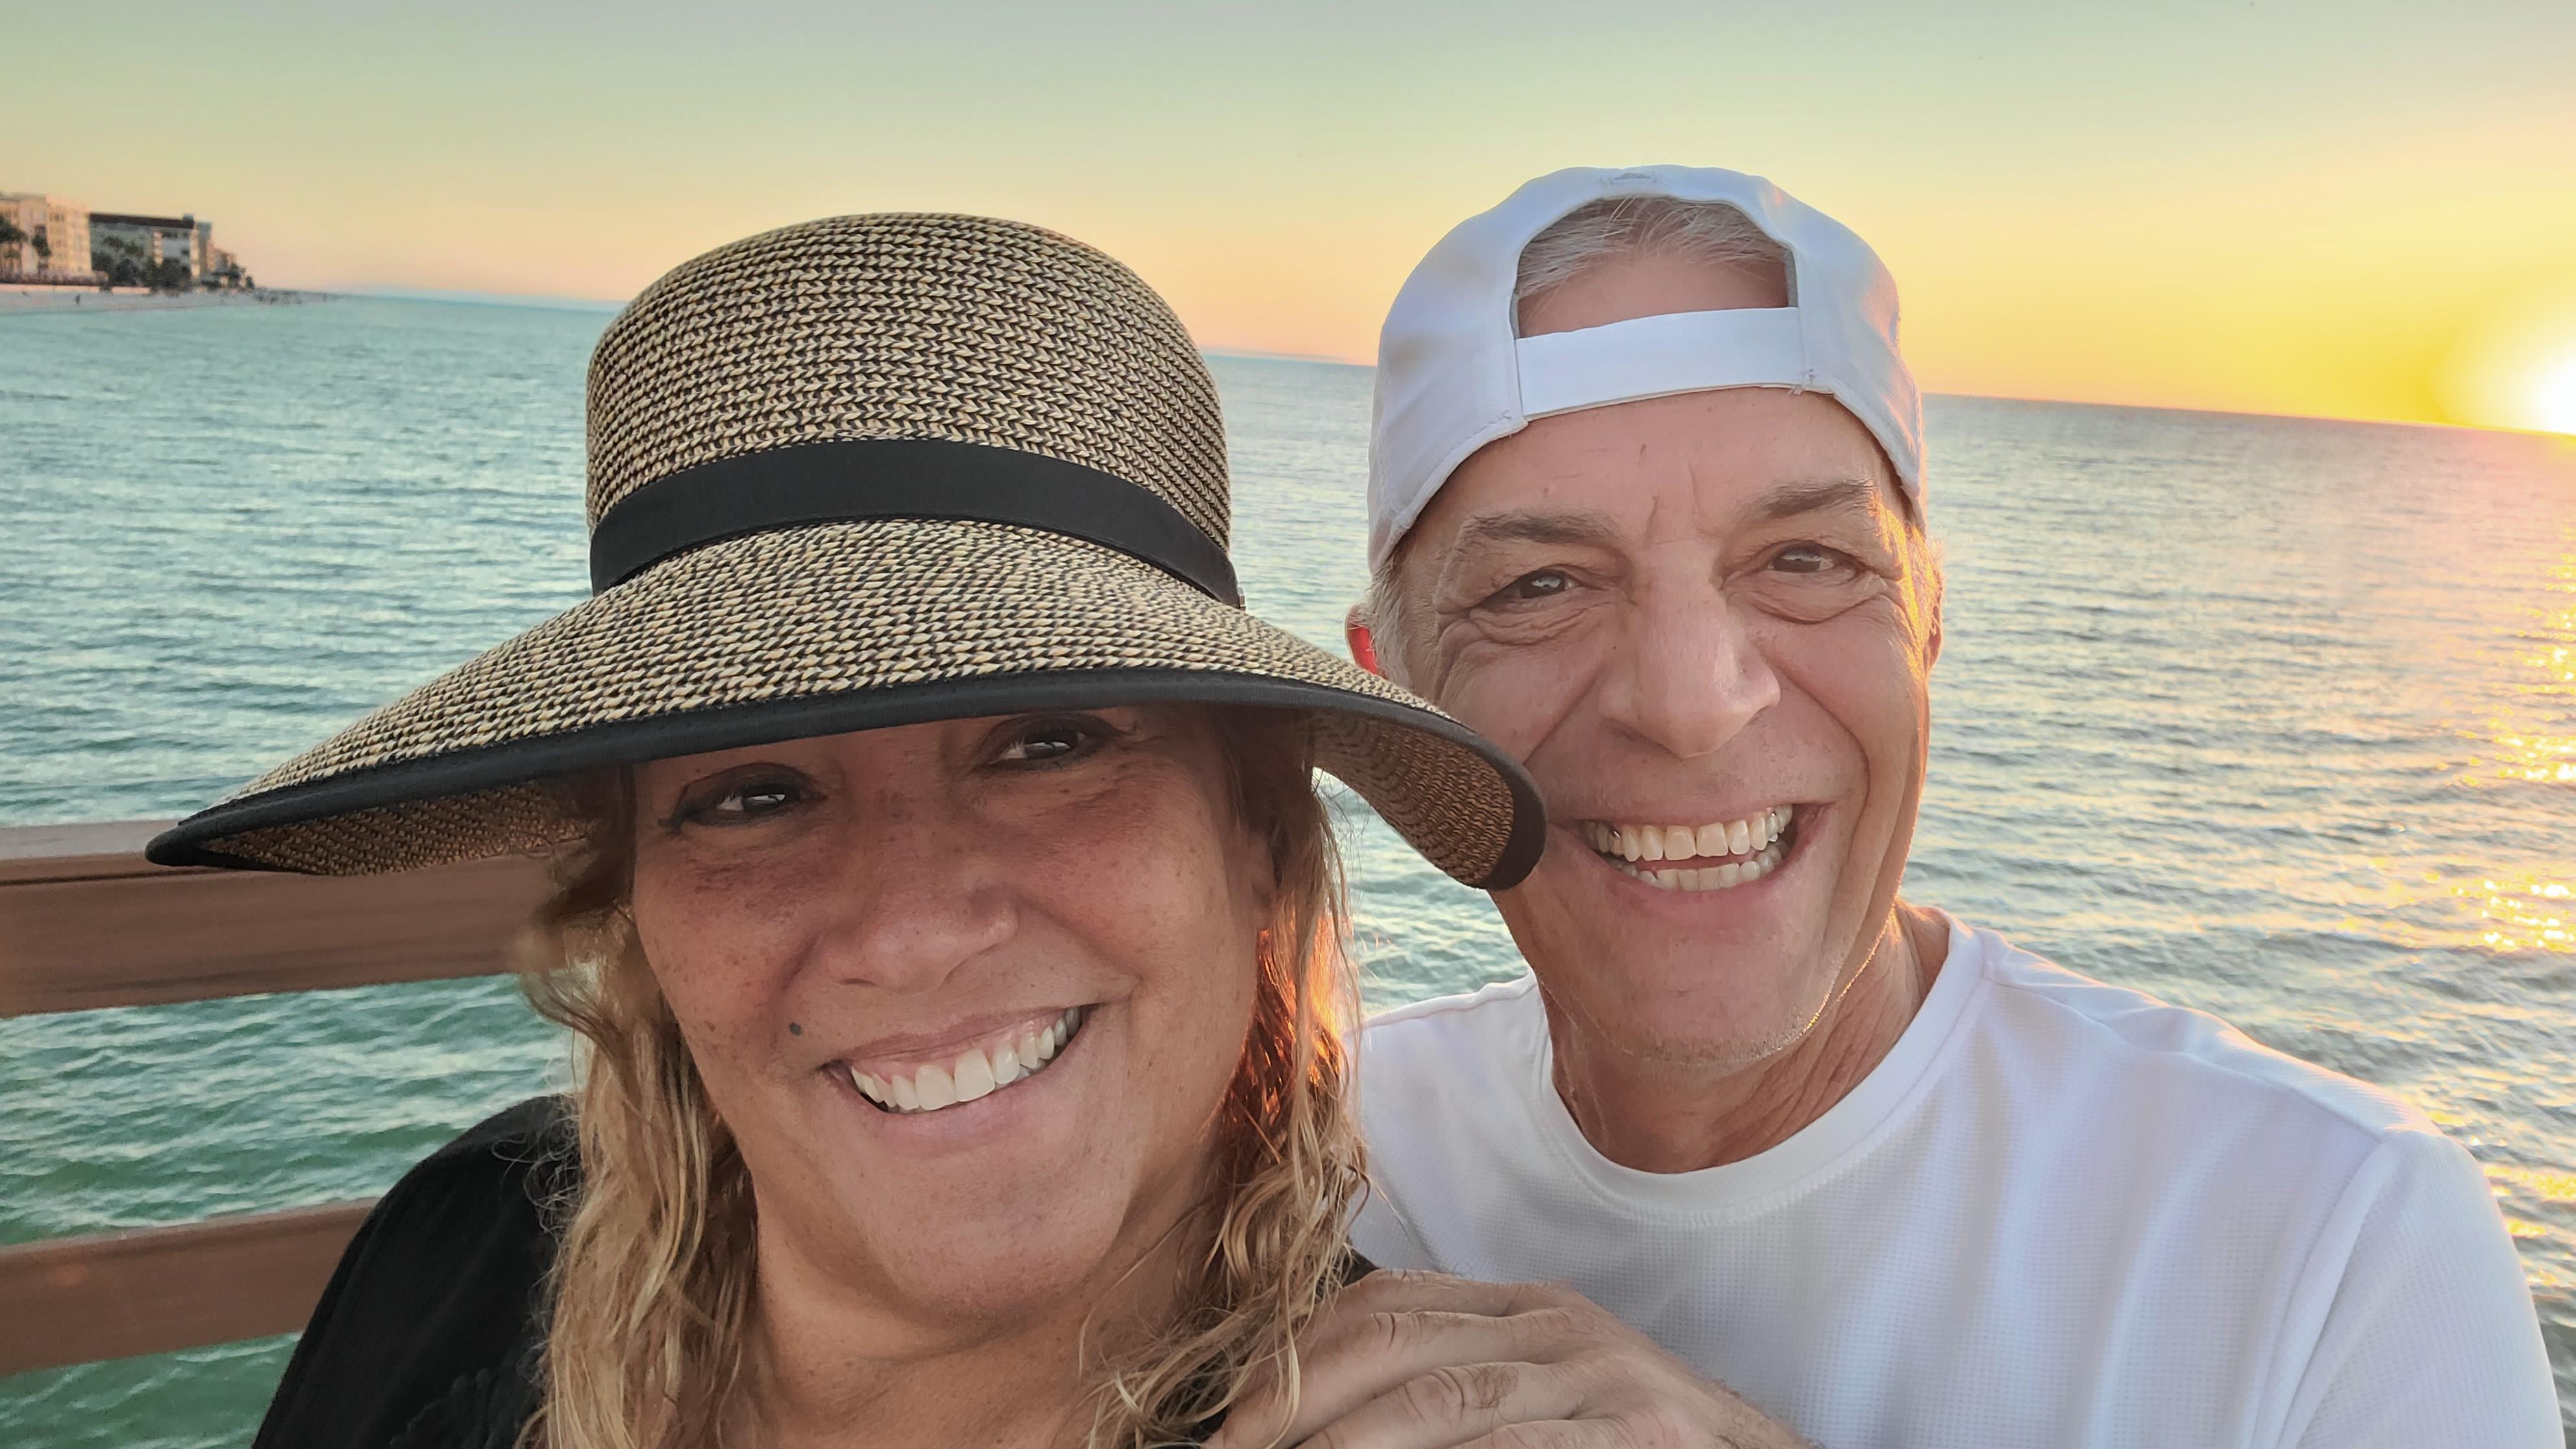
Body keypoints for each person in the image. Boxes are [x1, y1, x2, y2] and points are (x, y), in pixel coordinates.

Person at [146, 213, 1547, 1448]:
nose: (913, 931)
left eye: (1049, 745)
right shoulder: (470, 1251)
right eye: (752, 797)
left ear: (1258, 837)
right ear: (636, 896)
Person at [1276, 166, 2560, 1447]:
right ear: (1395, 695)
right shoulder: (1302, 1170)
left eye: (1806, 561)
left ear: (1927, 622)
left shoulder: (2330, 1246)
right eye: (1540, 586)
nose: (1690, 703)